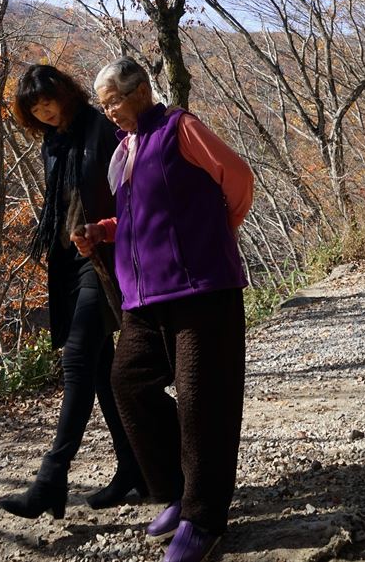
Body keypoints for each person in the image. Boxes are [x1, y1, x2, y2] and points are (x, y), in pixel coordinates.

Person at [74, 57, 253, 562]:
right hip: (144, 298)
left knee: (203, 401)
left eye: (113, 101)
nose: (108, 112)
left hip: (201, 290)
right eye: (103, 104)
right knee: (129, 384)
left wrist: (215, 234)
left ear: (140, 91)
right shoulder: (127, 147)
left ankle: (203, 518)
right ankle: (178, 491)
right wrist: (103, 232)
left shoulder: (180, 128)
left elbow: (237, 178)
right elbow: (141, 216)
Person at [0, 63, 145, 520]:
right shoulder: (53, 142)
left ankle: (51, 477)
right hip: (69, 260)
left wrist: (105, 232)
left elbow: (129, 191)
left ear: (66, 92)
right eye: (34, 105)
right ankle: (134, 470)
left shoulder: (101, 128)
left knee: (78, 356)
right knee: (100, 371)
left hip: (103, 258)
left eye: (49, 98)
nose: (44, 109)